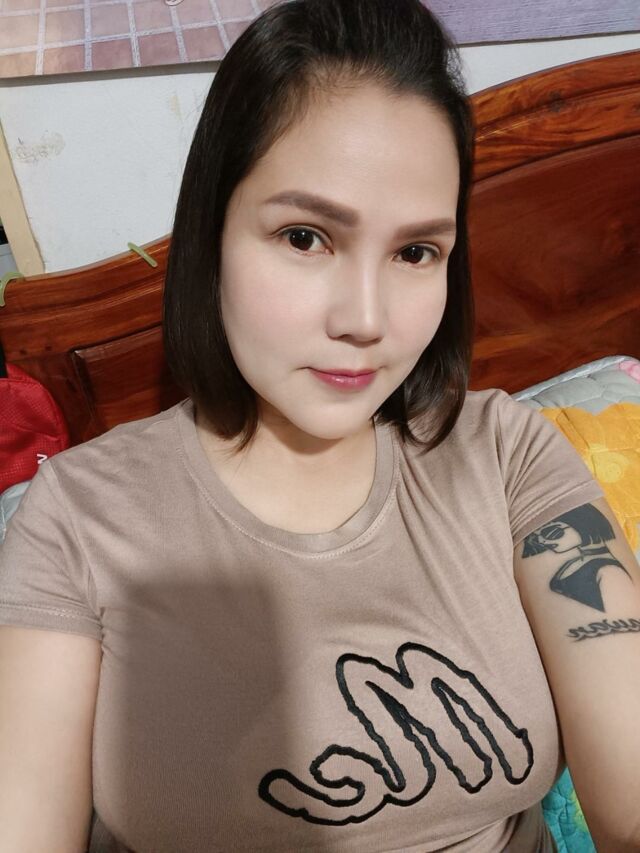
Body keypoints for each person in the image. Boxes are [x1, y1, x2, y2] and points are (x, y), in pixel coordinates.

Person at [1, 1, 639, 850]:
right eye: (305, 237)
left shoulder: (510, 455)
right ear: (213, 235)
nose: (366, 320)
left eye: (416, 252)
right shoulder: (76, 517)